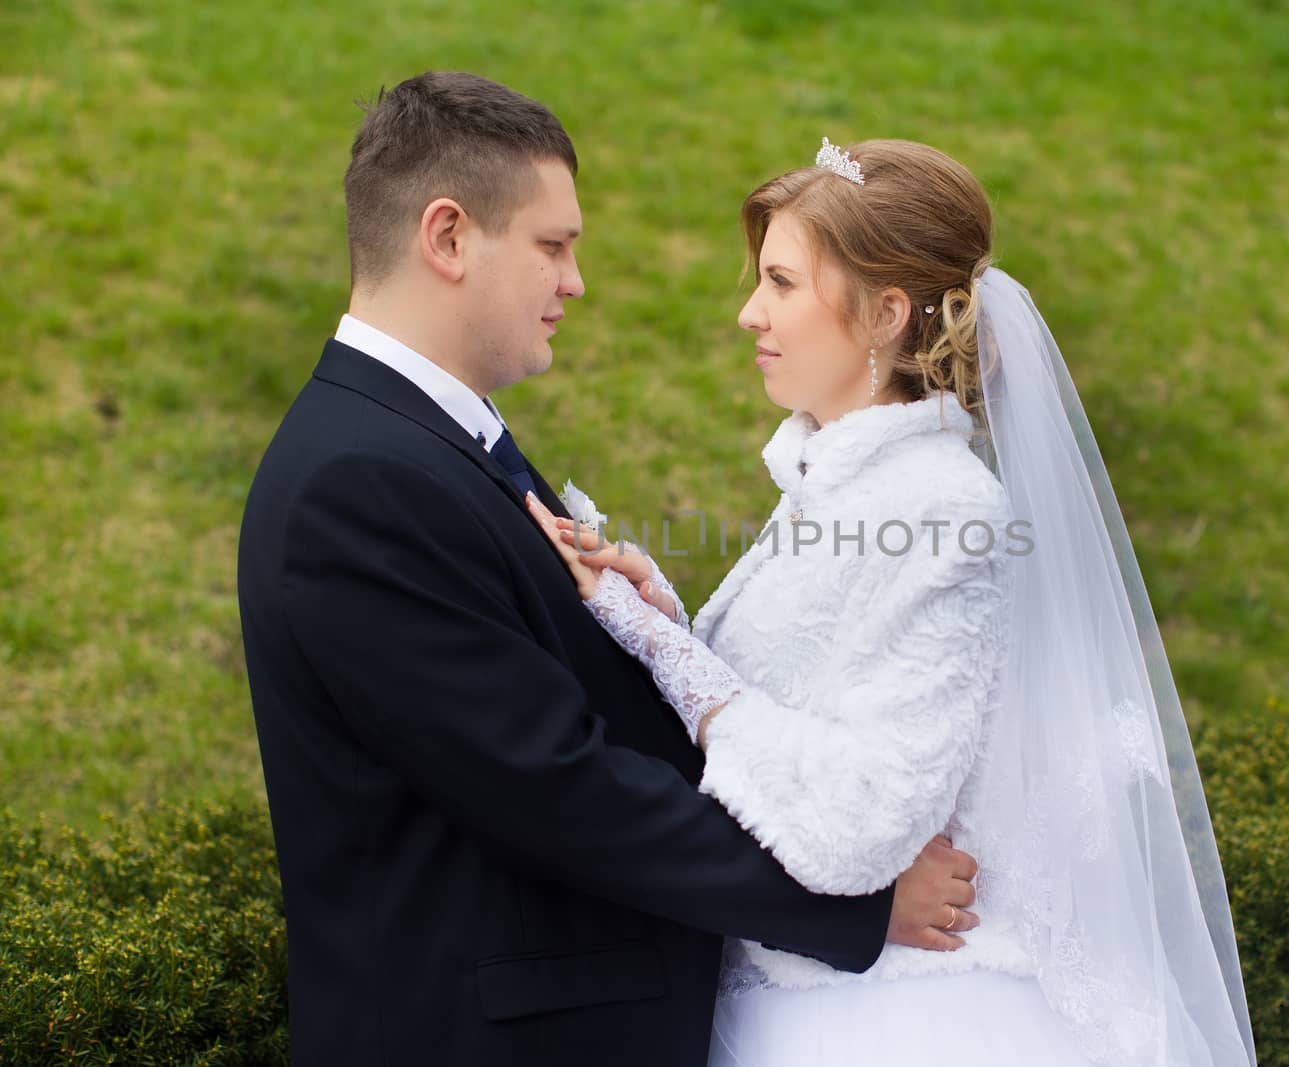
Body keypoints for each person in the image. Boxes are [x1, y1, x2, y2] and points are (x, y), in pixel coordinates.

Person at [236, 75, 979, 1067]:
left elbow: (539, 706)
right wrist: (855, 905)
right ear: (448, 237)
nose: (575, 280)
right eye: (553, 245)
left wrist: (648, 624)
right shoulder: (360, 482)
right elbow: (556, 785)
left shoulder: (418, 440)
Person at [528, 138, 1259, 1065]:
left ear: (884, 315)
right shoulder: (844, 485)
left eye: (782, 283)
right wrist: (669, 621)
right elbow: (810, 705)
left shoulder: (941, 510)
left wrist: (671, 656)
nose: (748, 311)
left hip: (893, 1020)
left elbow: (859, 822)